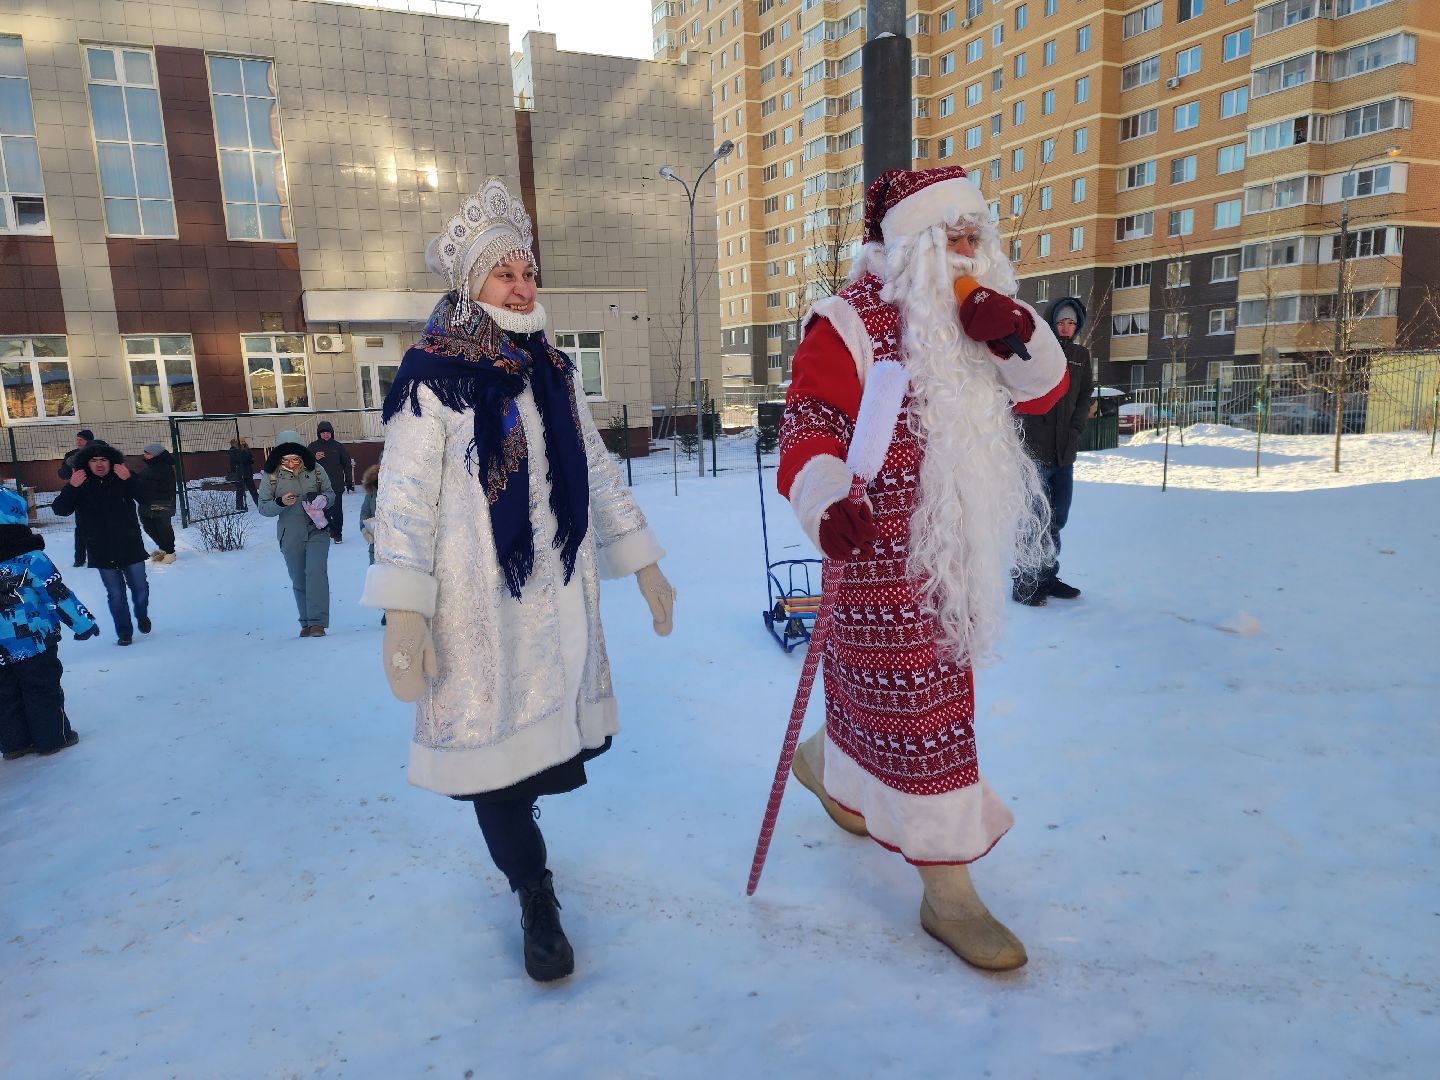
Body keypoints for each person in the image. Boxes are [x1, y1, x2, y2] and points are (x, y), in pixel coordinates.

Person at [362, 177, 676, 984]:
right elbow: (401, 498)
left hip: (553, 597)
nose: (521, 285)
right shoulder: (432, 375)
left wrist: (641, 558)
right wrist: (404, 611)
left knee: (534, 748)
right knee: (489, 761)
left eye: (526, 270)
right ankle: (534, 893)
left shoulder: (553, 370)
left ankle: (528, 854)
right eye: (504, 273)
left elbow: (596, 470)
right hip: (473, 606)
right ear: (471, 285)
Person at [777, 166, 1069, 972]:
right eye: (951, 235)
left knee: (887, 704)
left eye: (976, 233)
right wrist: (827, 501)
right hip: (877, 562)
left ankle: (828, 764)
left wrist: (1013, 330)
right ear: (909, 245)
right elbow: (808, 428)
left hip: (955, 553)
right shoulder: (852, 321)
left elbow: (1045, 395)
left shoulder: (978, 320)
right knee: (926, 724)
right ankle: (951, 894)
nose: (968, 249)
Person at [0, 487, 100, 759]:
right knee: (41, 687)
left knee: (5, 694)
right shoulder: (31, 557)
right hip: (33, 641)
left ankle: (16, 744)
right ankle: (53, 737)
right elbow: (56, 592)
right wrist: (82, 623)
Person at [1012, 298, 1094, 606]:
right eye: (1061, 321)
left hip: (1064, 454)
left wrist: (1075, 431)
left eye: (1072, 323)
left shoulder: (1081, 356)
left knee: (1057, 518)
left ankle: (1046, 576)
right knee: (1033, 520)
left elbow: (1085, 395)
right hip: (1035, 451)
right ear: (1051, 322)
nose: (1066, 327)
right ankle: (1024, 584)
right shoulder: (1037, 350)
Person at [50, 442, 152, 646]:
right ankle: (125, 633)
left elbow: (147, 498)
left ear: (111, 461)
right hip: (100, 548)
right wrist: (72, 487)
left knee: (140, 587)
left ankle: (141, 614)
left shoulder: (123, 476)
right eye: (94, 460)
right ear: (87, 463)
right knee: (116, 593)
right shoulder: (80, 482)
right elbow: (60, 510)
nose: (99, 464)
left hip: (130, 544)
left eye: (103, 460)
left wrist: (130, 479)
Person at [258, 431, 334, 638]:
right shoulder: (271, 475)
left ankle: (318, 623)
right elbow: (263, 507)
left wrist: (324, 500)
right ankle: (307, 623)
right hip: (289, 533)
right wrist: (280, 503)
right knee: (299, 578)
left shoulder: (316, 470)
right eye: (286, 459)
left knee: (316, 572)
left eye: (295, 458)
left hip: (316, 528)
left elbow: (331, 493)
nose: (291, 463)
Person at [308, 422, 353, 543]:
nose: (326, 435)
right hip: (319, 486)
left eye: (328, 432)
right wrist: (313, 457)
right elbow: (305, 465)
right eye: (323, 433)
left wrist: (349, 480)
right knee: (323, 511)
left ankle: (338, 534)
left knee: (337, 511)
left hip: (336, 485)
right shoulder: (312, 447)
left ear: (332, 433)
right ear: (319, 434)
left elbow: (347, 464)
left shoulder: (338, 447)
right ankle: (331, 529)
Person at [56, 428, 94, 567]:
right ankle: (79, 559)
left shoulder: (98, 453)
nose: (78, 442)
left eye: (81, 439)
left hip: (98, 493)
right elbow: (62, 474)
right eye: (77, 439)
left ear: (89, 441)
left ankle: (96, 557)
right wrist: (68, 468)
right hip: (79, 493)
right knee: (81, 528)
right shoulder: (71, 455)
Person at [136, 443, 178, 564]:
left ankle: (170, 552)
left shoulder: (164, 467)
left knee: (162, 527)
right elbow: (143, 479)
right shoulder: (150, 466)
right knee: (149, 526)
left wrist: (142, 483)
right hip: (147, 502)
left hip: (162, 502)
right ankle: (163, 548)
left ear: (155, 454)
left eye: (147, 453)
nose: (144, 455)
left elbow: (163, 485)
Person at [358, 464, 383, 627]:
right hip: (377, 543)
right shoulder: (372, 491)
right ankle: (388, 609)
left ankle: (395, 610)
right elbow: (365, 513)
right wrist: (365, 529)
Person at [228, 438, 259, 509]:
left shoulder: (246, 449)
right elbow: (240, 460)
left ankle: (259, 503)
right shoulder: (233, 450)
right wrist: (247, 459)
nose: (243, 443)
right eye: (241, 442)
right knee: (240, 490)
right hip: (240, 474)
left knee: (253, 489)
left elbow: (251, 459)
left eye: (244, 441)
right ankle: (239, 506)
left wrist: (249, 459)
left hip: (248, 472)